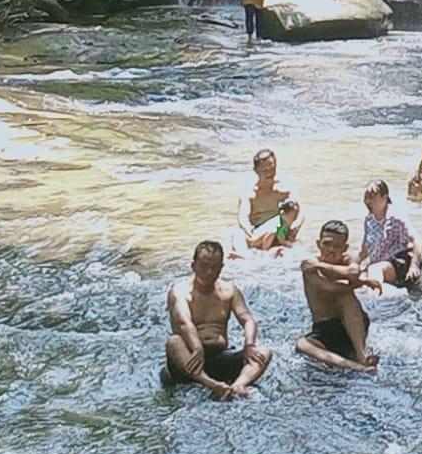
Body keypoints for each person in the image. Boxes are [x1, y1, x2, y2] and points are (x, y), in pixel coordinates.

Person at [163, 240, 271, 398]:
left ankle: (238, 385)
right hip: (189, 359)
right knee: (174, 342)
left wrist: (249, 345)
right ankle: (211, 384)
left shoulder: (230, 291)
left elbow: (247, 319)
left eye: (214, 267)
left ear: (221, 267)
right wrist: (197, 348)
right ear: (193, 266)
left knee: (263, 352)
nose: (209, 272)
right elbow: (184, 323)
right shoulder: (180, 292)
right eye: (204, 266)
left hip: (219, 357)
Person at [297, 219, 382, 371]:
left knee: (346, 297)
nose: (331, 250)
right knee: (302, 344)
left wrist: (320, 265)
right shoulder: (309, 267)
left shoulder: (347, 259)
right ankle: (355, 366)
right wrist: (360, 282)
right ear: (318, 244)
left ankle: (362, 355)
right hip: (325, 329)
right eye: (326, 244)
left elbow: (353, 272)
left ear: (345, 247)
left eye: (337, 246)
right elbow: (330, 288)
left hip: (352, 327)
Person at [358, 180, 422, 289]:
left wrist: (414, 265)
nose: (368, 201)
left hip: (399, 262)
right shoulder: (369, 219)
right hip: (380, 264)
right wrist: (353, 265)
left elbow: (418, 241)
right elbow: (363, 251)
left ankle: (374, 297)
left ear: (384, 198)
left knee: (375, 269)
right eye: (366, 197)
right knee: (359, 276)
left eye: (372, 197)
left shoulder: (395, 217)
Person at [242, 148, 293, 250]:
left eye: (272, 169)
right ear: (256, 170)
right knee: (237, 234)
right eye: (265, 170)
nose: (270, 173)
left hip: (280, 231)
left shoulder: (285, 189)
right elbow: (243, 218)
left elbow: (298, 212)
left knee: (284, 216)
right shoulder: (249, 193)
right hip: (258, 231)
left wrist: (295, 229)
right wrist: (248, 234)